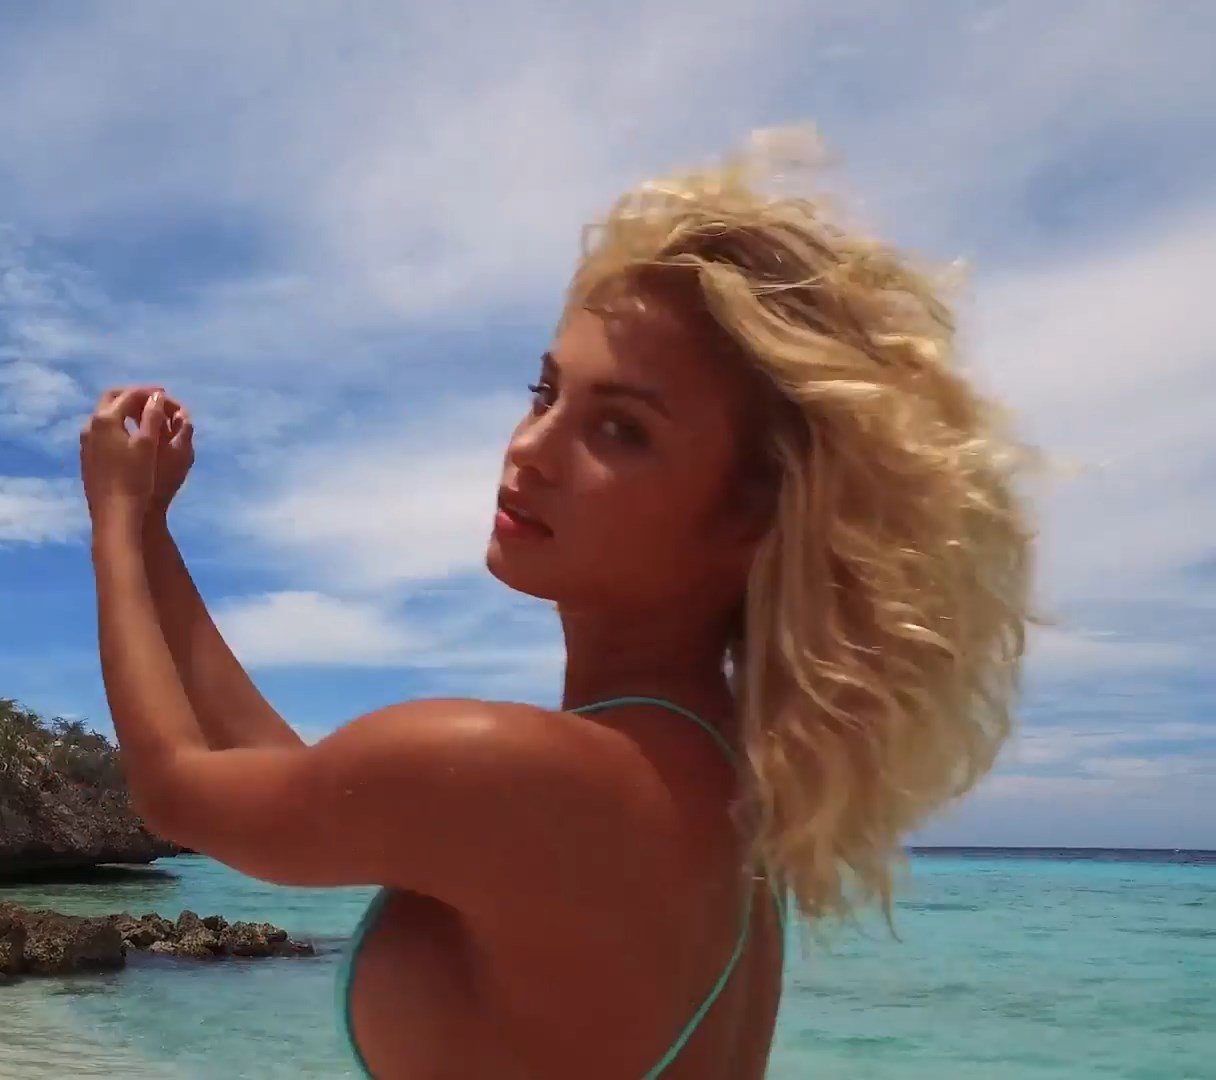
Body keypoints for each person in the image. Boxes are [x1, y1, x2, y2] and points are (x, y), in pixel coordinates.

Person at [79, 135, 1034, 1079]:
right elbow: (299, 787)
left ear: (756, 515)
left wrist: (114, 521)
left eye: (619, 429)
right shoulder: (718, 792)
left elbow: (177, 791)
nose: (530, 448)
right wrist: (153, 530)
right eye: (545, 393)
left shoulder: (517, 771)